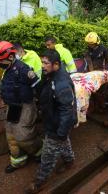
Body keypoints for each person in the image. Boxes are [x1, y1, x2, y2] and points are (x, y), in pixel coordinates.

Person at [25, 50, 77, 194]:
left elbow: (67, 112)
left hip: (58, 124)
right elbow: (43, 90)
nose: (42, 65)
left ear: (56, 65)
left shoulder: (61, 83)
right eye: (42, 62)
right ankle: (69, 161)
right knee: (64, 141)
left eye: (46, 63)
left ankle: (39, 182)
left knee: (48, 155)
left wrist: (60, 132)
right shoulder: (50, 75)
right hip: (53, 120)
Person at [0, 41, 42, 173]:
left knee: (23, 136)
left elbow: (39, 87)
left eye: (0, 59)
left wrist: (42, 106)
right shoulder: (7, 69)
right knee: (11, 135)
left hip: (26, 105)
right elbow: (4, 84)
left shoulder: (24, 69)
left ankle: (39, 151)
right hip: (13, 106)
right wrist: (0, 95)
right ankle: (18, 161)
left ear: (10, 57)